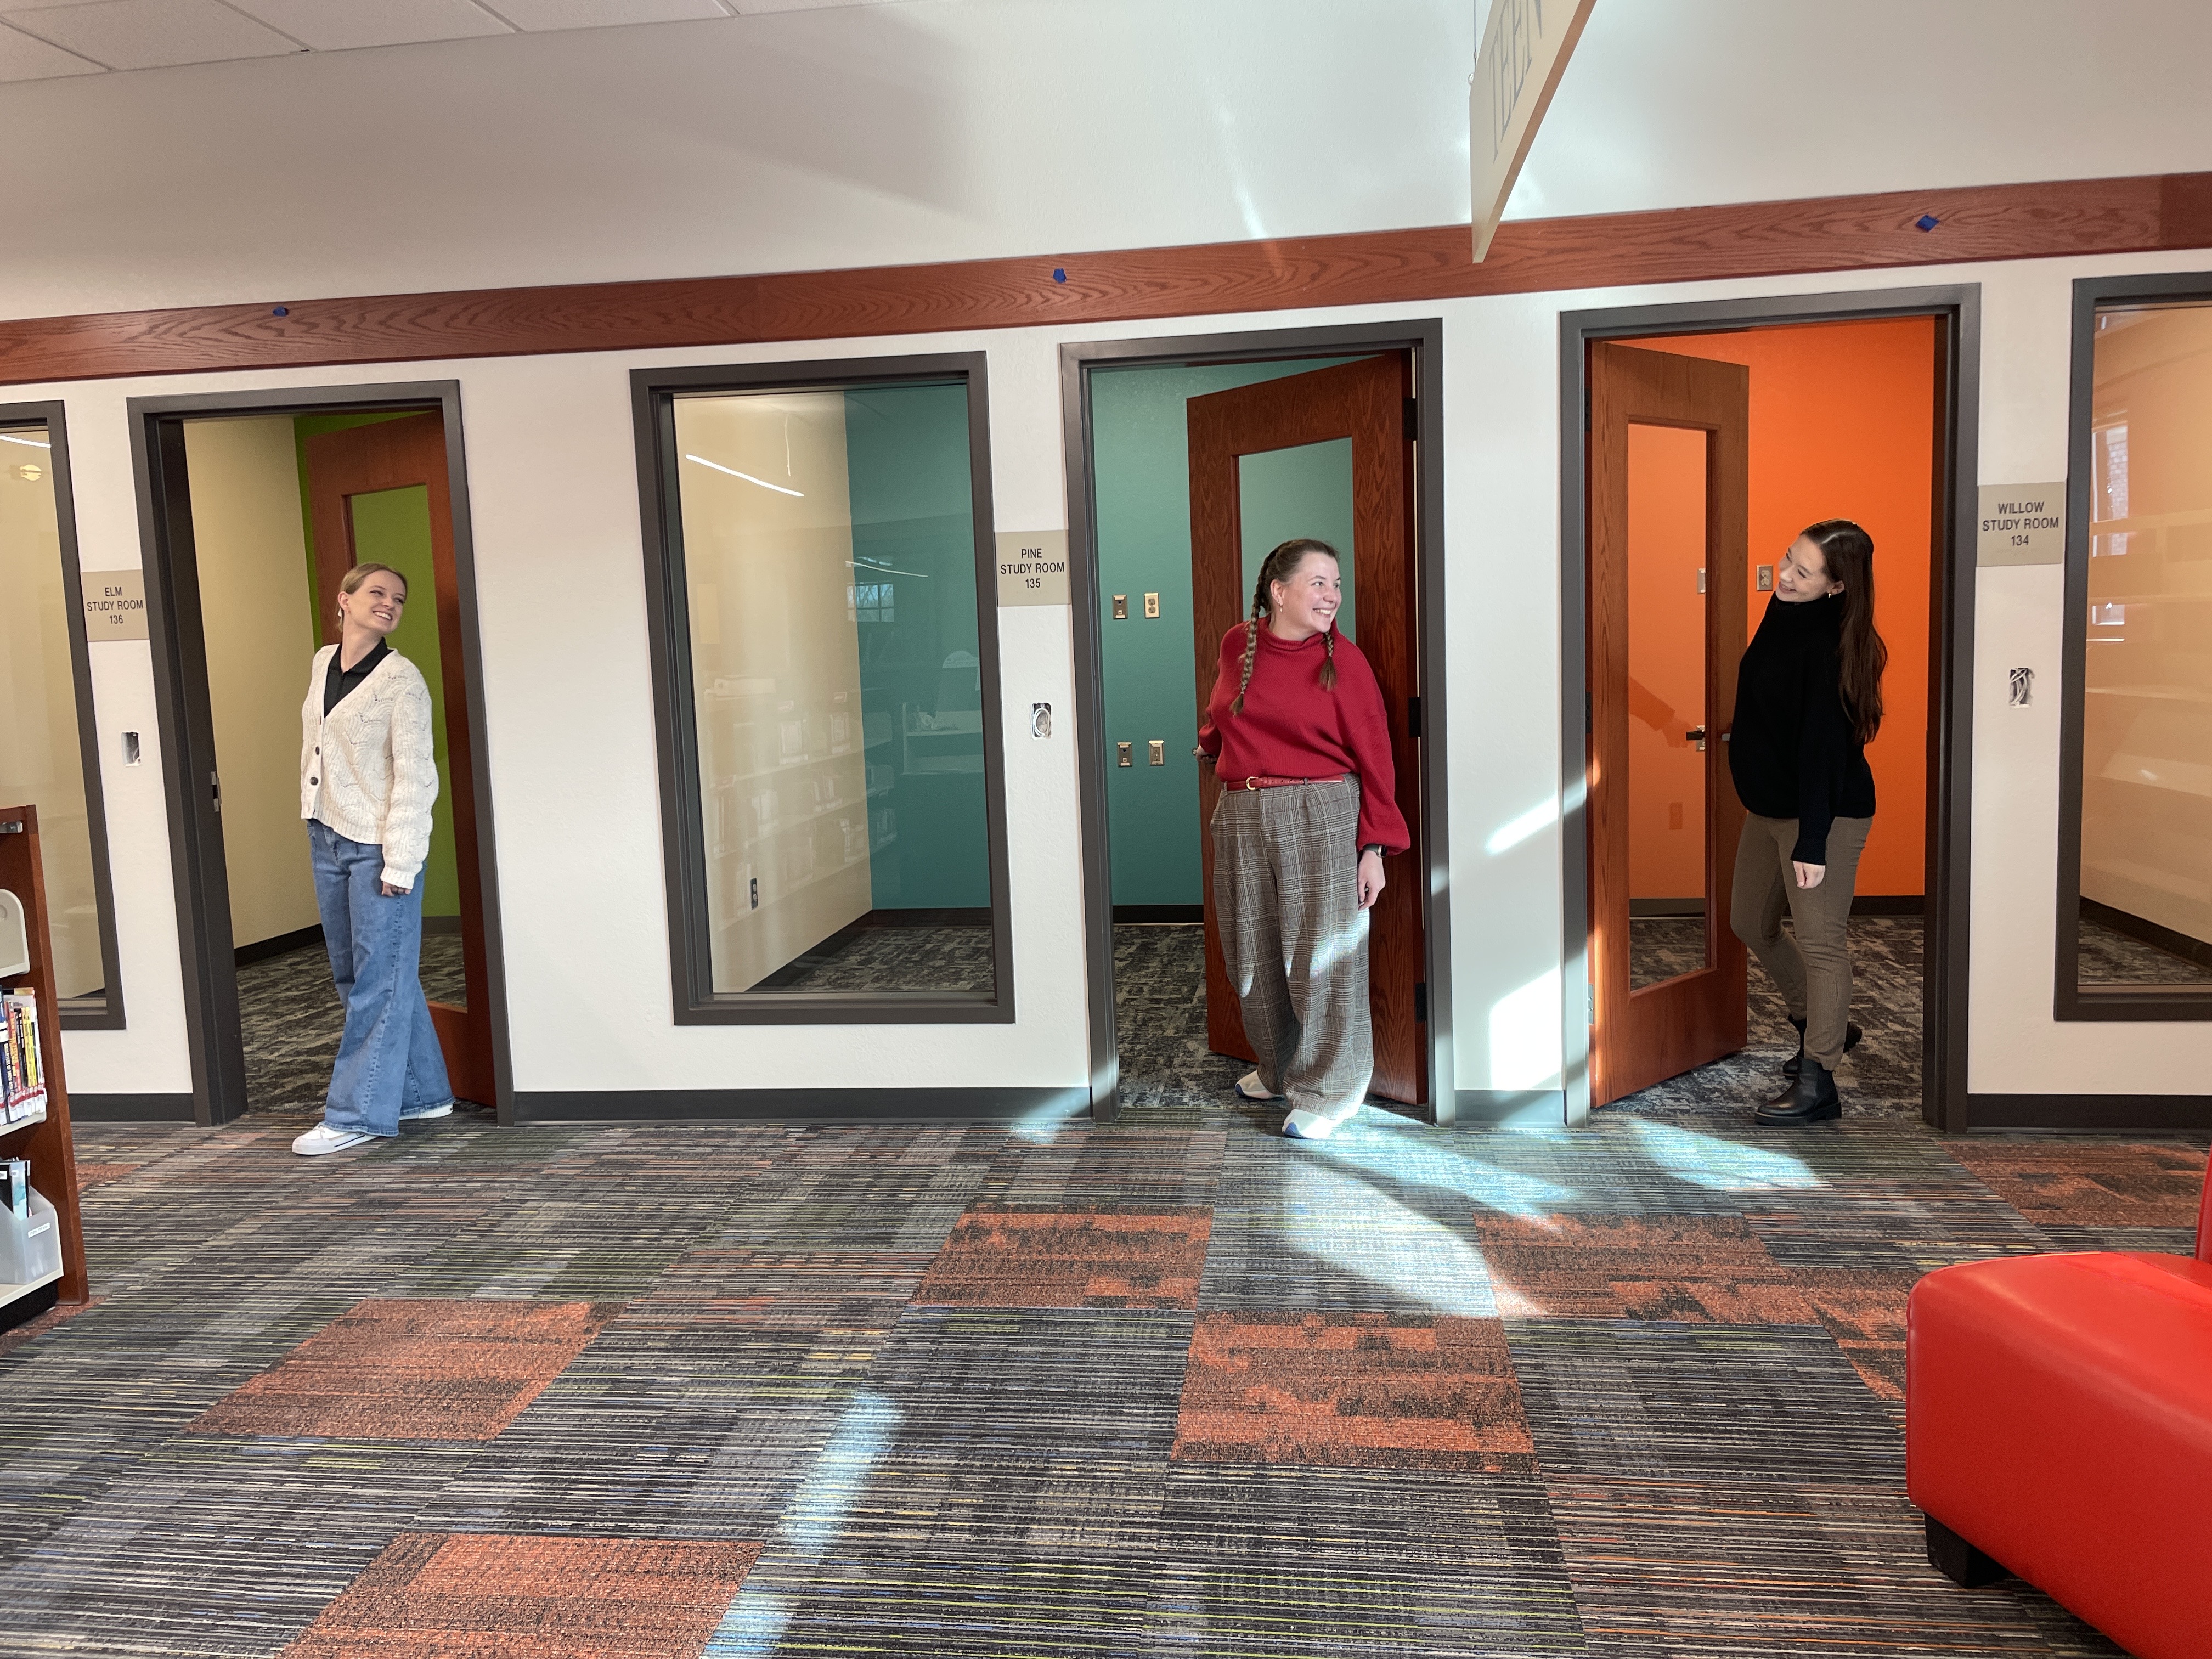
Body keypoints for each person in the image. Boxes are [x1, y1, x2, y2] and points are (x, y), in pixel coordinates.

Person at [1196, 538, 1410, 1141]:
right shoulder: (1239, 643)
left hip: (1322, 811)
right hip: (1242, 811)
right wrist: (1214, 742)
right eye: (1319, 583)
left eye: (1335, 585)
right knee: (1251, 957)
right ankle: (1280, 1067)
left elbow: (1376, 755)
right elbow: (1226, 710)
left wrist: (1375, 848)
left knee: (1323, 960)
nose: (1332, 596)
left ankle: (1329, 1092)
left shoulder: (1345, 660)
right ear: (1279, 592)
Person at [290, 562, 454, 1155]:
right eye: (378, 593)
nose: (389, 603)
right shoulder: (322, 662)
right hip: (327, 834)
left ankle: (356, 1114)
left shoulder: (401, 681)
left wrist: (401, 863)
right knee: (358, 975)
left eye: (399, 599)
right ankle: (424, 1092)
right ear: (345, 599)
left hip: (379, 846)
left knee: (377, 982)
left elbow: (417, 776)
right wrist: (312, 808)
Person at [1727, 519, 1886, 1127]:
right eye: (1788, 560)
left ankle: (1820, 1081)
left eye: (1803, 572)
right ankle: (1825, 1025)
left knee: (1823, 943)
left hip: (1824, 814)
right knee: (1750, 920)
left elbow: (1822, 751)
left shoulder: (1831, 648)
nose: (1786, 577)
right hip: (1769, 808)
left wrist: (1814, 841)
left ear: (1838, 587)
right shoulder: (1783, 614)